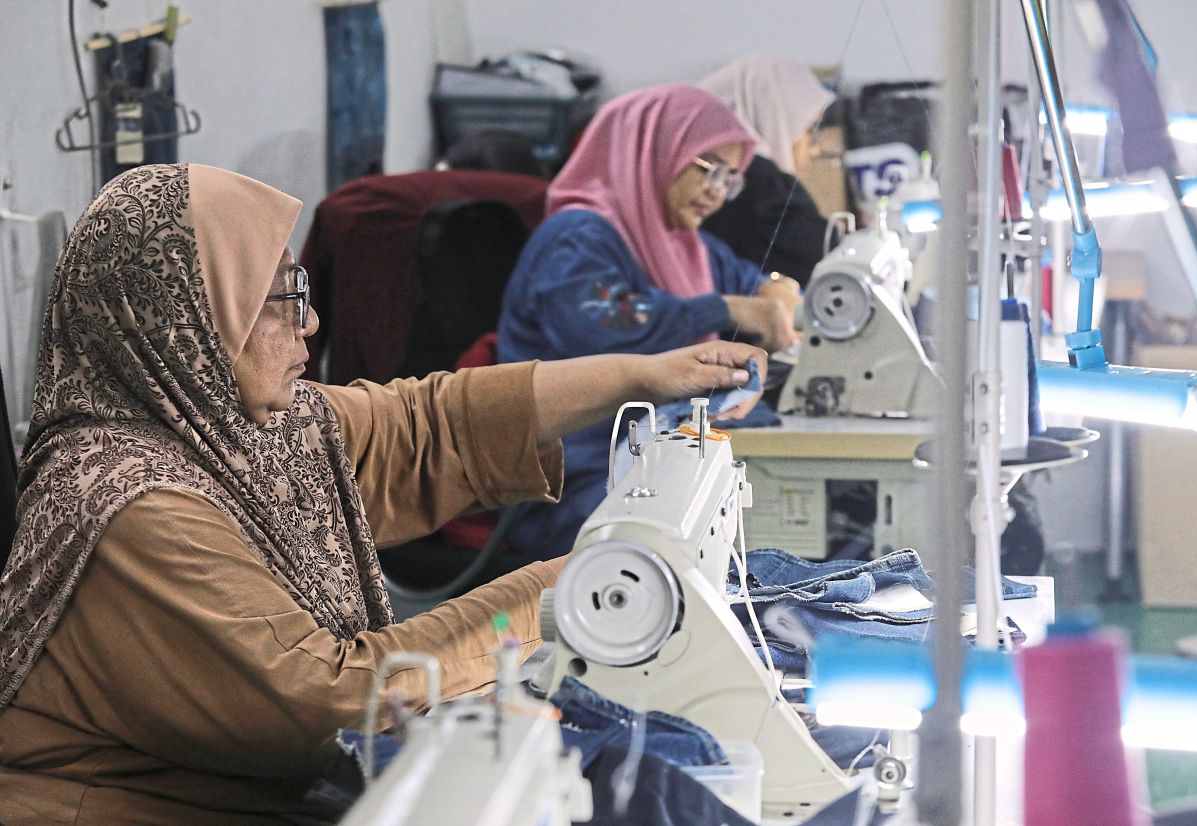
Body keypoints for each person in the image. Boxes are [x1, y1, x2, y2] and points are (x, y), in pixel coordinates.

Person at [0, 163, 765, 825]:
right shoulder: (132, 504)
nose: (314, 321)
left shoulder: (233, 429)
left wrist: (644, 373)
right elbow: (328, 701)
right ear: (188, 321)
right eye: (279, 298)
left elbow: (431, 420)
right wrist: (553, 596)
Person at [497, 84, 800, 562]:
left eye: (729, 179)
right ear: (653, 149)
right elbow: (609, 326)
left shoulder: (682, 242)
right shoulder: (576, 237)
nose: (717, 193)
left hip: (648, 460)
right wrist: (726, 309)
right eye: (708, 170)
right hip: (572, 482)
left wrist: (777, 290)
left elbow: (751, 282)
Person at [699, 52, 837, 286]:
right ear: (776, 119)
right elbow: (832, 258)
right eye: (809, 130)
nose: (814, 150)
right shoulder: (763, 187)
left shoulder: (716, 176)